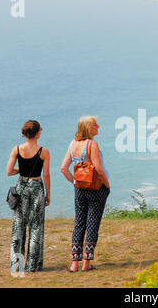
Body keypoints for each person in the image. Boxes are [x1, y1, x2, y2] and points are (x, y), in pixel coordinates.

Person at [60, 116, 110, 272]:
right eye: (95, 125)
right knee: (92, 224)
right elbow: (98, 169)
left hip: (79, 189)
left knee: (79, 223)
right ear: (89, 127)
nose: (98, 127)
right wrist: (107, 185)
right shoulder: (92, 144)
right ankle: (86, 264)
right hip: (95, 188)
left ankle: (74, 263)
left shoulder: (72, 144)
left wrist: (75, 182)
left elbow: (63, 168)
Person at [6, 120, 51, 272]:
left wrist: (21, 169)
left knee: (19, 226)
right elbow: (46, 175)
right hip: (37, 188)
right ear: (37, 133)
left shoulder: (17, 149)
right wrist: (48, 194)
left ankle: (16, 266)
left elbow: (9, 171)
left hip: (21, 187)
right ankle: (33, 265)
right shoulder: (43, 151)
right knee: (36, 226)